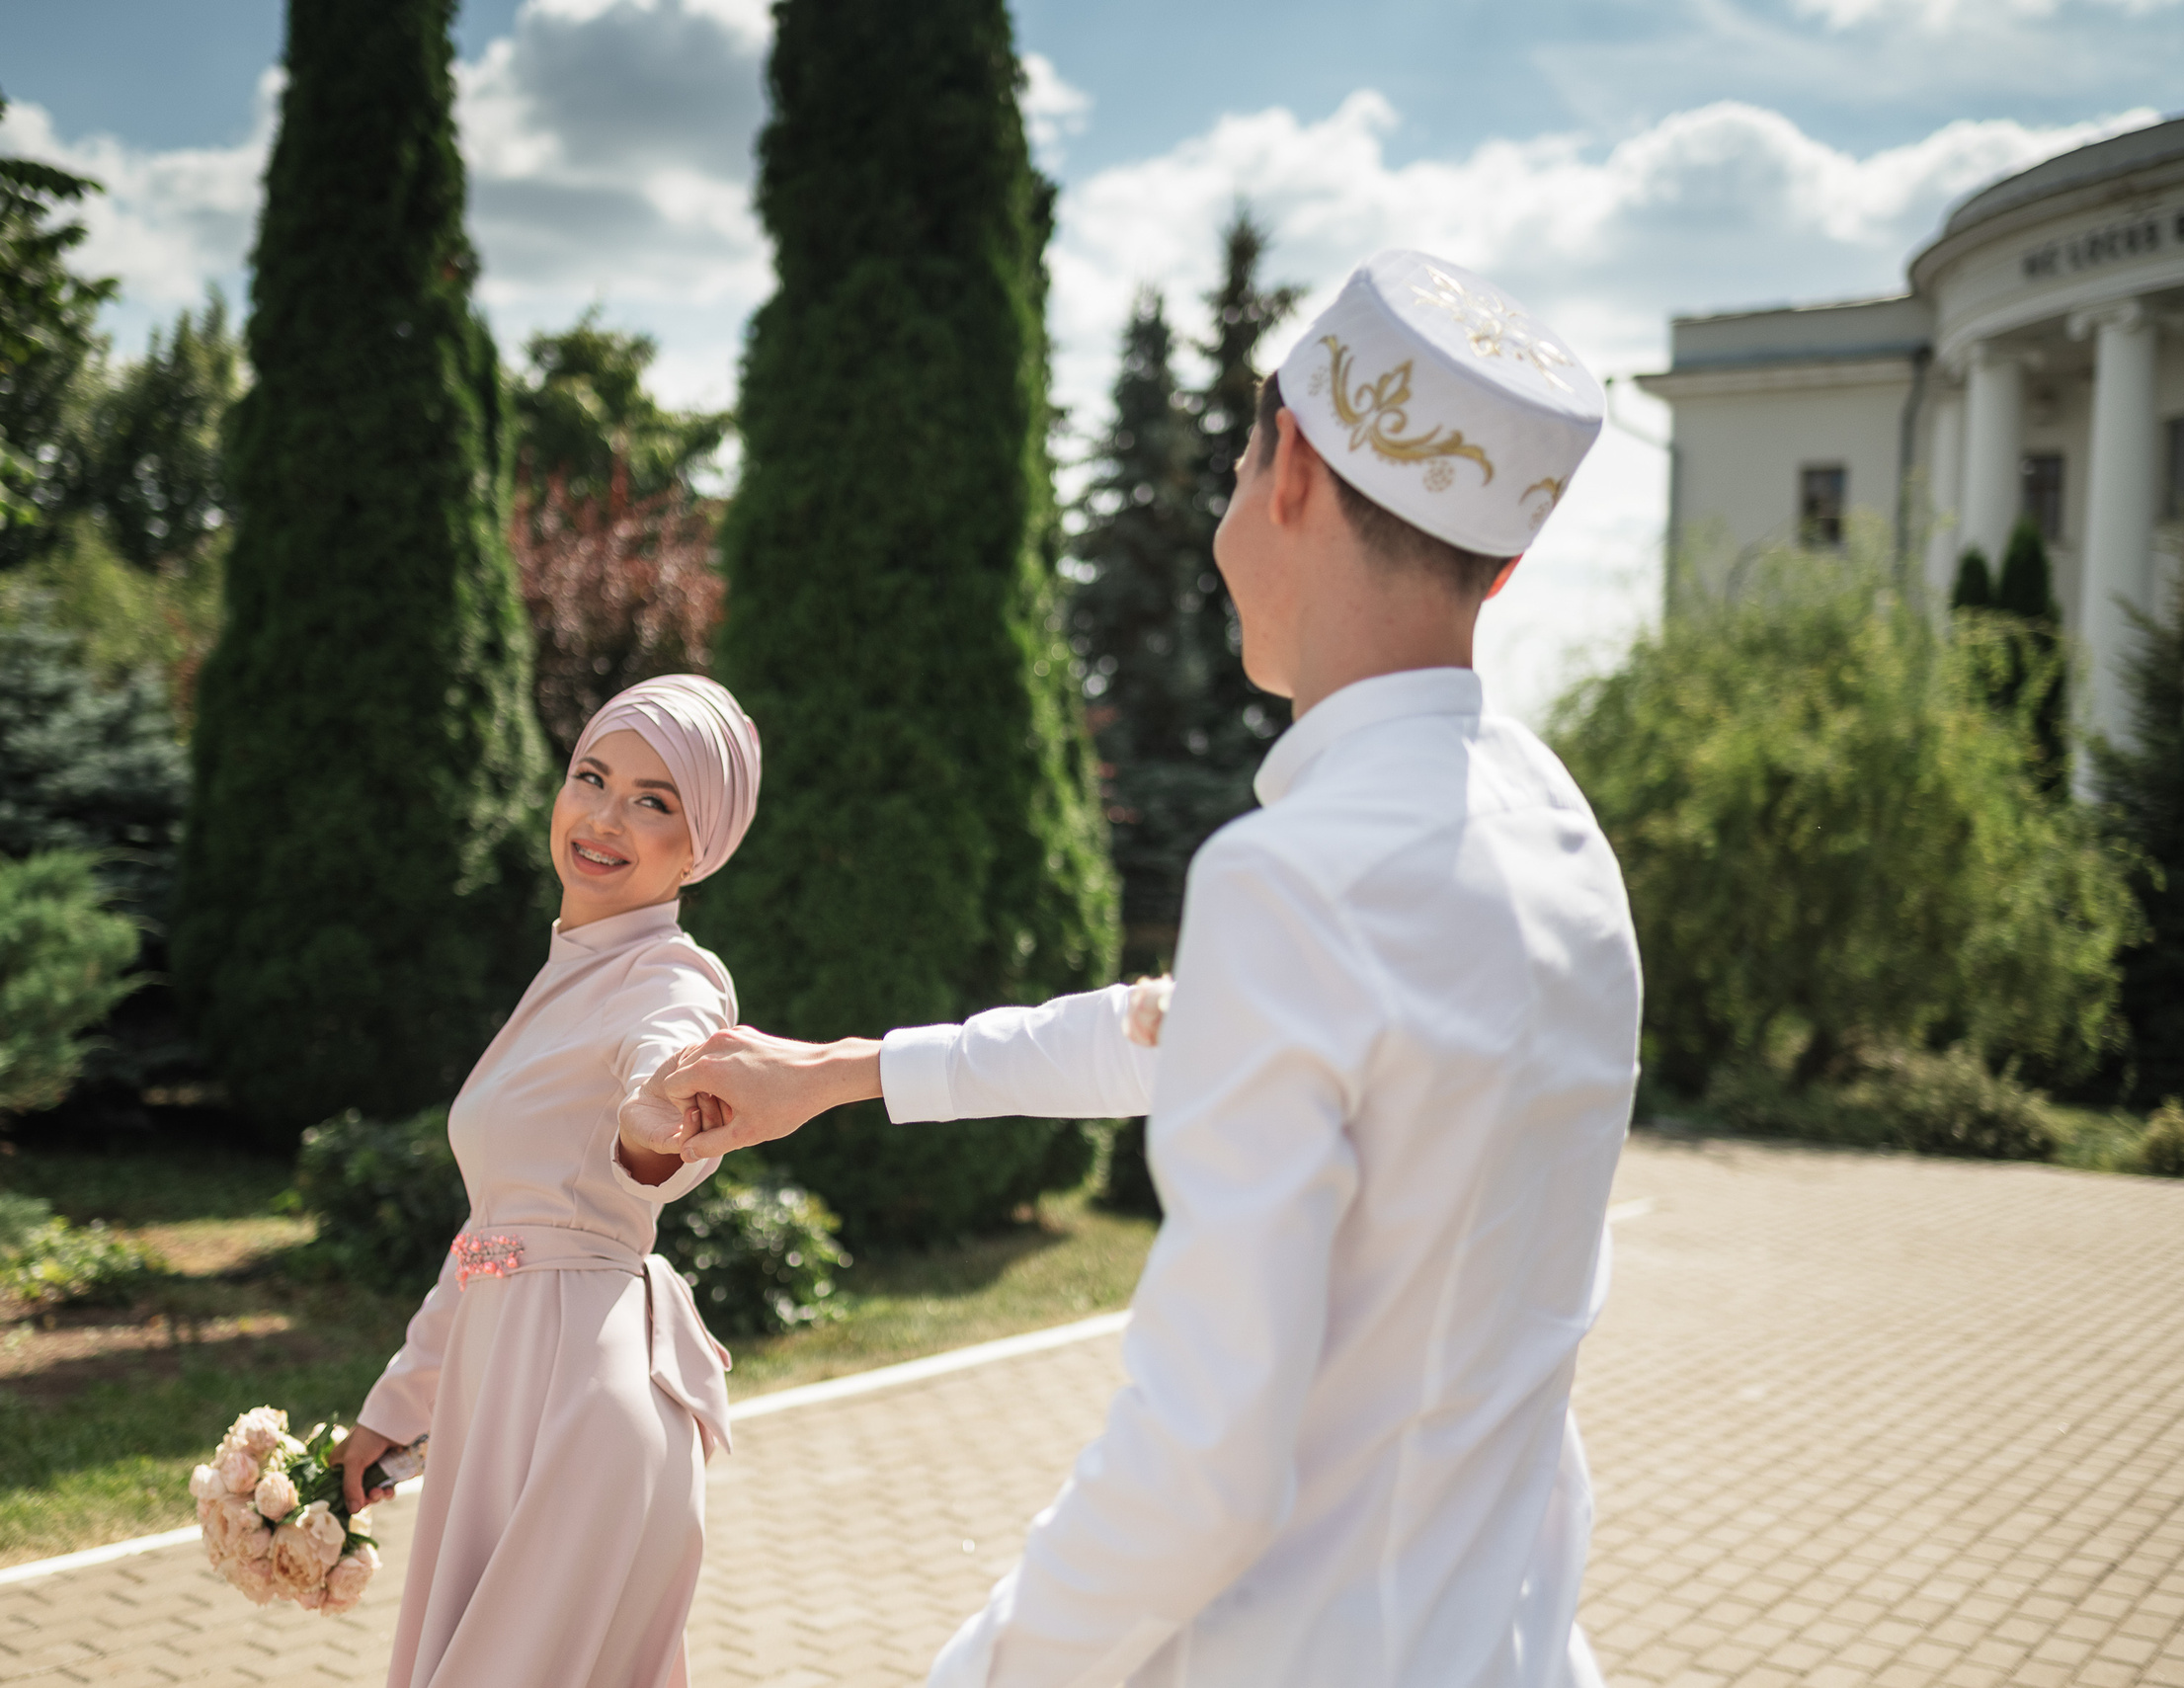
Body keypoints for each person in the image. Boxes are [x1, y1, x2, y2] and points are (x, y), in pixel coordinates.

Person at [639, 251, 1641, 1688]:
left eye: (1237, 470)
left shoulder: (1296, 878)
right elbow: (1172, 1034)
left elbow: (1202, 1466)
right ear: (1508, 562)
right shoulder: (1554, 832)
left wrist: (992, 1671)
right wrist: (842, 1072)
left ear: (1290, 473)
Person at [331, 674, 760, 1688]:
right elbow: (492, 1237)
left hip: (580, 1411)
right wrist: (396, 1408)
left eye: (653, 800)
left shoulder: (675, 976)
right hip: (504, 1394)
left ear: (699, 847)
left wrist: (659, 1117)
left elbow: (673, 1078)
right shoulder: (568, 971)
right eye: (591, 777)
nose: (604, 817)